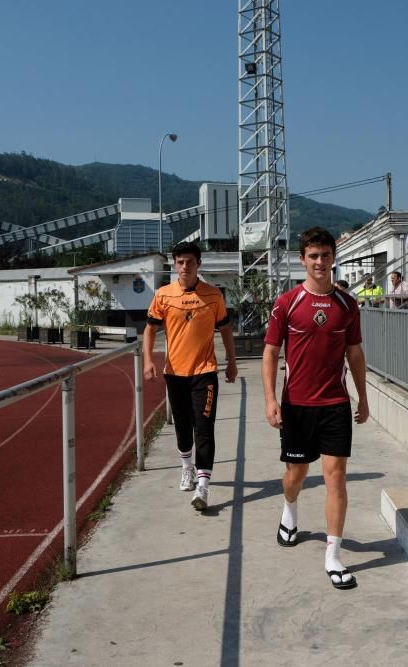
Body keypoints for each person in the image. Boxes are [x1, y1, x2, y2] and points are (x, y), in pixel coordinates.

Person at [262, 226, 370, 590]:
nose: (320, 262)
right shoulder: (287, 303)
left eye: (325, 255)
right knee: (296, 474)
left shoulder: (347, 305)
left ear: (333, 258)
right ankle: (289, 511)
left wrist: (363, 397)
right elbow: (271, 353)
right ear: (302, 260)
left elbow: (354, 354)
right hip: (297, 404)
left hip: (335, 404)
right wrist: (270, 399)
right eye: (313, 256)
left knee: (335, 476)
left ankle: (333, 556)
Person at [143, 241, 238, 511]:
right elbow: (150, 329)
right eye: (180, 262)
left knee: (204, 427)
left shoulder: (213, 296)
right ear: (174, 264)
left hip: (205, 373)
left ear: (199, 264)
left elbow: (226, 330)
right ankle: (187, 466)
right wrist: (148, 360)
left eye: (190, 262)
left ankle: (203, 487)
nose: (185, 266)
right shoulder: (163, 295)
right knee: (183, 427)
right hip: (175, 373)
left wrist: (231, 362)